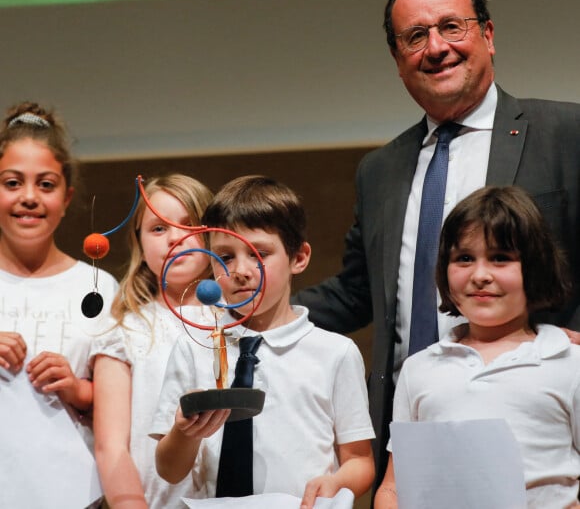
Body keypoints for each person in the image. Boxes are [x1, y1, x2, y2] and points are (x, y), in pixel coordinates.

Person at [294, 0, 580, 486]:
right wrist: (267, 313)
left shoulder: (566, 133)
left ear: (488, 36)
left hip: (541, 420)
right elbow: (360, 292)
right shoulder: (379, 170)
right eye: (415, 36)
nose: (437, 47)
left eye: (453, 26)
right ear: (398, 60)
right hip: (413, 428)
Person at [152, 175, 375, 508]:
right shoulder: (192, 346)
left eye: (259, 254)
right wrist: (185, 432)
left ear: (299, 257)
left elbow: (359, 460)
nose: (241, 270)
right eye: (225, 257)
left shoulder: (335, 354)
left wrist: (336, 482)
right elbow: (169, 470)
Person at [374, 185, 578, 509]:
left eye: (501, 258)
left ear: (535, 267)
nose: (480, 275)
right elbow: (393, 488)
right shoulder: (419, 368)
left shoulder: (569, 363)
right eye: (464, 258)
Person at [91, 174, 214, 509]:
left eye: (189, 224)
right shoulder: (124, 331)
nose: (175, 237)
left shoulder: (241, 322)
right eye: (158, 228)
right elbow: (111, 446)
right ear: (140, 246)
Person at [0, 101, 118, 440]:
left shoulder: (99, 287)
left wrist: (77, 389)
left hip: (75, 489)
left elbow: (127, 408)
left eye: (46, 185)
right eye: (12, 183)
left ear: (66, 199)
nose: (29, 197)